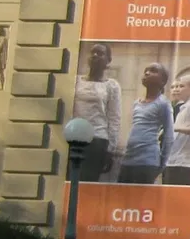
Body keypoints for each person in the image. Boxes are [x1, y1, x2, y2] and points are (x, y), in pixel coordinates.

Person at [72, 43, 123, 182]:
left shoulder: (111, 86)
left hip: (97, 140)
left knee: (87, 181)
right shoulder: (75, 80)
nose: (95, 55)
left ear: (108, 60)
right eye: (92, 52)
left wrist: (110, 149)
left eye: (100, 53)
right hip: (73, 138)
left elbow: (114, 118)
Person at [118, 63, 172, 184]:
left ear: (162, 81)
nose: (147, 73)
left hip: (147, 160)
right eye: (146, 71)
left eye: (153, 71)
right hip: (128, 159)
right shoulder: (137, 103)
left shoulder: (163, 103)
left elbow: (169, 135)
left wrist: (162, 162)